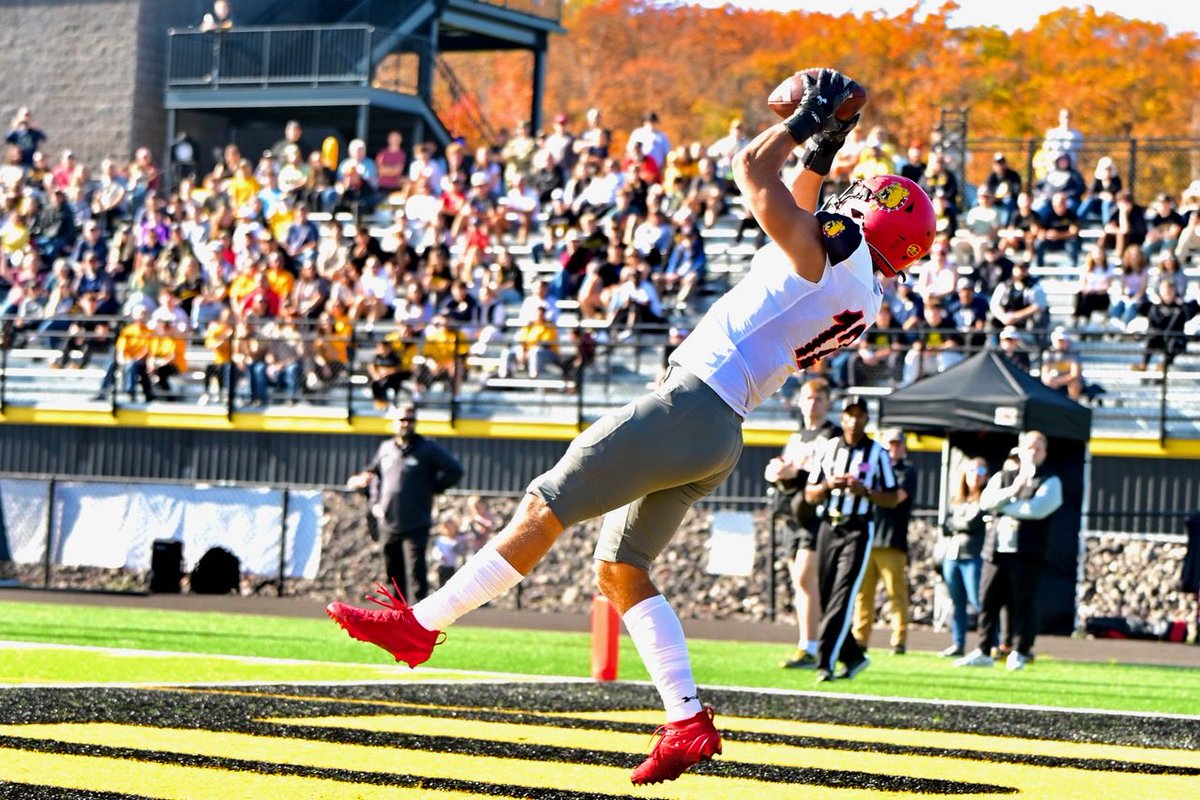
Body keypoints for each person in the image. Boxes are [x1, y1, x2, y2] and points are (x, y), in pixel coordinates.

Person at [327, 68, 934, 785]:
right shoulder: (861, 291)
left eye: (863, 201)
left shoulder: (836, 245)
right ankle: (684, 719)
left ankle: (421, 626)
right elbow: (802, 211)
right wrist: (826, 142)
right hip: (720, 433)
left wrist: (806, 121)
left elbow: (753, 170)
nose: (845, 199)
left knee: (544, 503)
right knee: (620, 569)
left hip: (692, 403)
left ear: (873, 218)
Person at [805, 396, 901, 681]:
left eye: (860, 415)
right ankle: (854, 656)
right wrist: (827, 485)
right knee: (825, 596)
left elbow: (893, 497)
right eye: (849, 414)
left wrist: (866, 492)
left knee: (842, 596)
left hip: (858, 529)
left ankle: (825, 662)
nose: (854, 420)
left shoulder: (878, 454)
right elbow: (809, 494)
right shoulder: (828, 448)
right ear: (842, 417)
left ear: (866, 419)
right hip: (828, 526)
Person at [954, 430, 1063, 671]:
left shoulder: (1050, 480)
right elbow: (986, 502)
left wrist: (1002, 507)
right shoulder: (1003, 476)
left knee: (1022, 603)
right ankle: (983, 650)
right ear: (1020, 450)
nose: (1033, 452)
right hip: (996, 550)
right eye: (1029, 447)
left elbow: (1036, 510)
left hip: (1027, 552)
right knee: (988, 601)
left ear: (1044, 453)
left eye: (1038, 448)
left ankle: (1020, 651)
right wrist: (1012, 492)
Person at [346, 404, 464, 602]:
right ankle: (396, 619)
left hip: (416, 521)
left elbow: (455, 470)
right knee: (392, 574)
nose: (406, 424)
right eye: (402, 419)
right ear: (395, 422)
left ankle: (419, 621)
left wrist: (431, 487)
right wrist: (373, 500)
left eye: (410, 420)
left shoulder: (427, 448)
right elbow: (373, 476)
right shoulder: (385, 448)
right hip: (388, 522)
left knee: (416, 574)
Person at [763, 377, 841, 670]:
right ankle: (807, 641)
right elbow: (789, 472)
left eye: (819, 398)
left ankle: (812, 646)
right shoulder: (797, 436)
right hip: (793, 514)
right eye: (808, 398)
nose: (813, 403)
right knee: (799, 583)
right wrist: (777, 471)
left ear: (828, 402)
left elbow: (824, 474)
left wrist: (793, 472)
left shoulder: (831, 435)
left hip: (817, 515)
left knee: (806, 580)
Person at [852, 428, 915, 655]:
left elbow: (896, 497)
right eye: (890, 444)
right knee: (863, 594)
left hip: (891, 540)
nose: (893, 449)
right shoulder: (870, 465)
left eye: (898, 444)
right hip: (868, 537)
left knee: (895, 593)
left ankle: (899, 640)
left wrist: (867, 491)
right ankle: (860, 639)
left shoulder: (906, 471)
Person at [937, 457, 990, 658]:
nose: (975, 475)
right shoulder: (957, 499)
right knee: (957, 603)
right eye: (971, 471)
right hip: (952, 556)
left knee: (979, 602)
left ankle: (991, 644)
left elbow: (971, 524)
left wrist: (955, 523)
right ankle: (958, 644)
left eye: (980, 471)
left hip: (973, 556)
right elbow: (946, 524)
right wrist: (956, 523)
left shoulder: (985, 498)